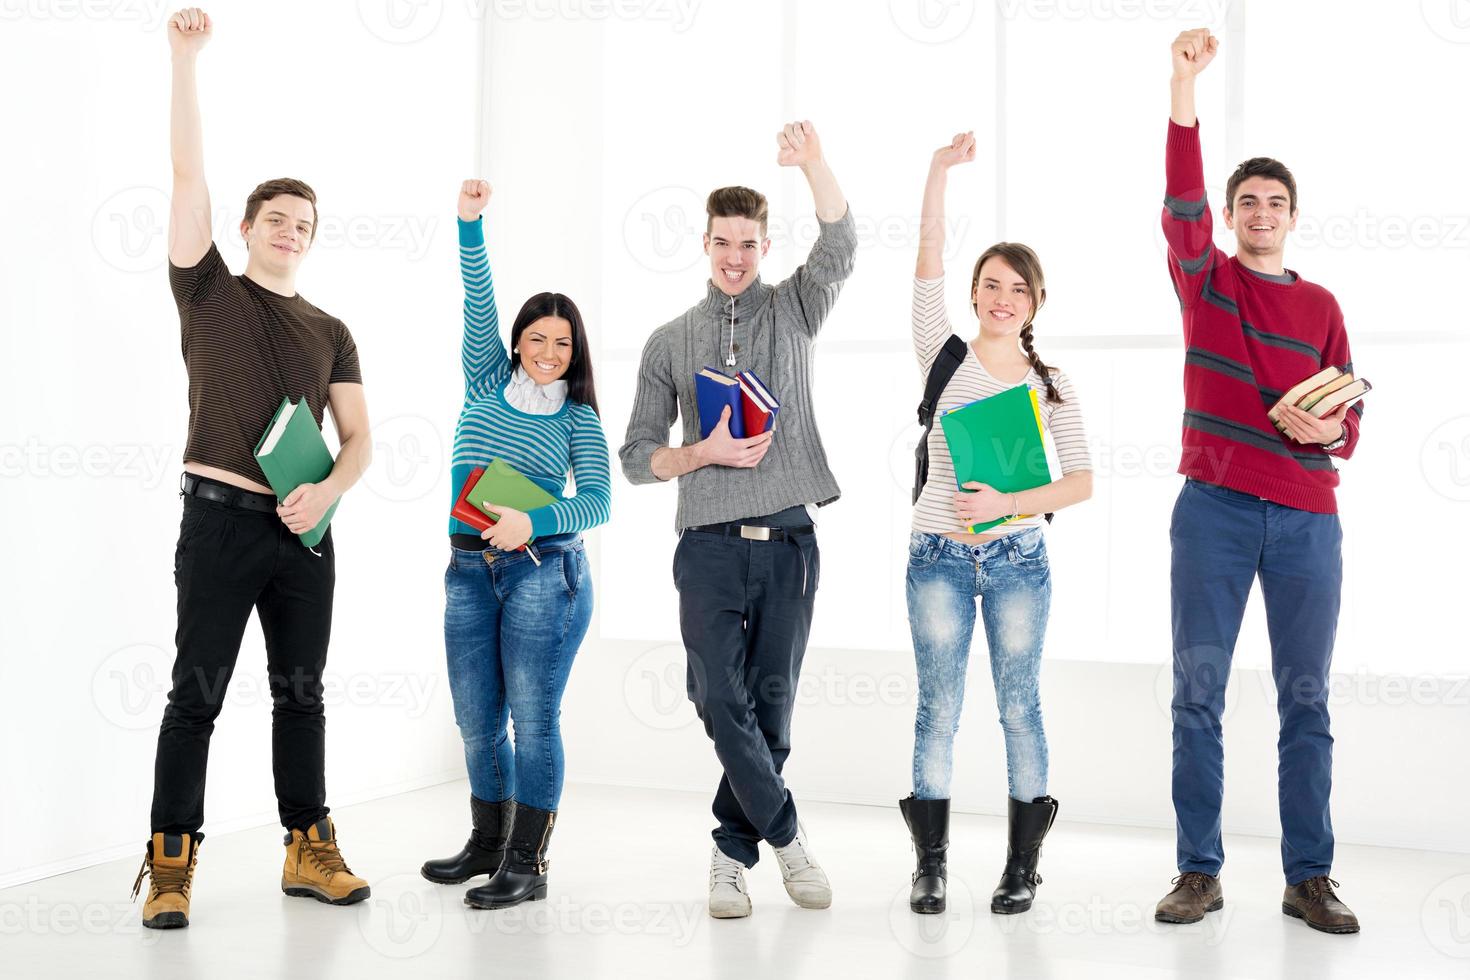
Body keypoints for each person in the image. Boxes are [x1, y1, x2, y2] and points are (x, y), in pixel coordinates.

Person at [134, 7, 373, 929]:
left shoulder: (332, 329)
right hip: (221, 521)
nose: (290, 230)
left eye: (303, 223)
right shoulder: (205, 289)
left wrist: (329, 490)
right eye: (275, 218)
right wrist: (183, 59)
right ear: (244, 227)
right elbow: (186, 172)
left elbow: (360, 439)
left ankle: (308, 847)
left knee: (301, 695)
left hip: (304, 531)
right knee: (196, 692)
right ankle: (169, 863)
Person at [619, 121, 856, 919]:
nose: (735, 256)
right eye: (723, 242)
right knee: (719, 697)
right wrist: (701, 451)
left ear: (761, 244)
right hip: (711, 548)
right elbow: (635, 455)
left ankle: (729, 855)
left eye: (748, 244)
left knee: (771, 705)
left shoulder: (793, 311)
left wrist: (812, 162)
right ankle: (786, 838)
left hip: (790, 542)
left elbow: (841, 242)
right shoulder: (669, 340)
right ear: (705, 242)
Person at [1154, 28, 1362, 935]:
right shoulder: (1208, 284)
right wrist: (1182, 87)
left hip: (1310, 519)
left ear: (1293, 215)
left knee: (1304, 701)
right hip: (1216, 513)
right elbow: (1180, 202)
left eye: (1276, 201)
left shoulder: (1322, 306)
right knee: (1197, 694)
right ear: (1233, 217)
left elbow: (1350, 416)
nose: (1262, 211)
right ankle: (1199, 871)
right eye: (1248, 201)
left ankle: (1307, 876)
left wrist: (1332, 427)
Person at [899, 132, 1093, 917]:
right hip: (936, 555)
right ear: (976, 295)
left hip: (1018, 558)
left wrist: (1008, 506)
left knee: (1020, 704)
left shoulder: (1052, 383)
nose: (1000, 297)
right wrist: (939, 172)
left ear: (1035, 302)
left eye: (1015, 287)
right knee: (937, 707)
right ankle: (932, 865)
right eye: (989, 285)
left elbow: (1079, 483)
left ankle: (1021, 867)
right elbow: (928, 255)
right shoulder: (942, 356)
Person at [420, 180, 611, 911]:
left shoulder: (579, 419)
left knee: (531, 718)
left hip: (544, 574)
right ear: (517, 343)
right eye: (538, 339)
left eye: (563, 343)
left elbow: (597, 500)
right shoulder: (485, 379)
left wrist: (534, 522)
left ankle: (527, 863)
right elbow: (478, 302)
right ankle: (487, 842)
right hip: (468, 570)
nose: (550, 353)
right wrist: (470, 225)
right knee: (475, 717)